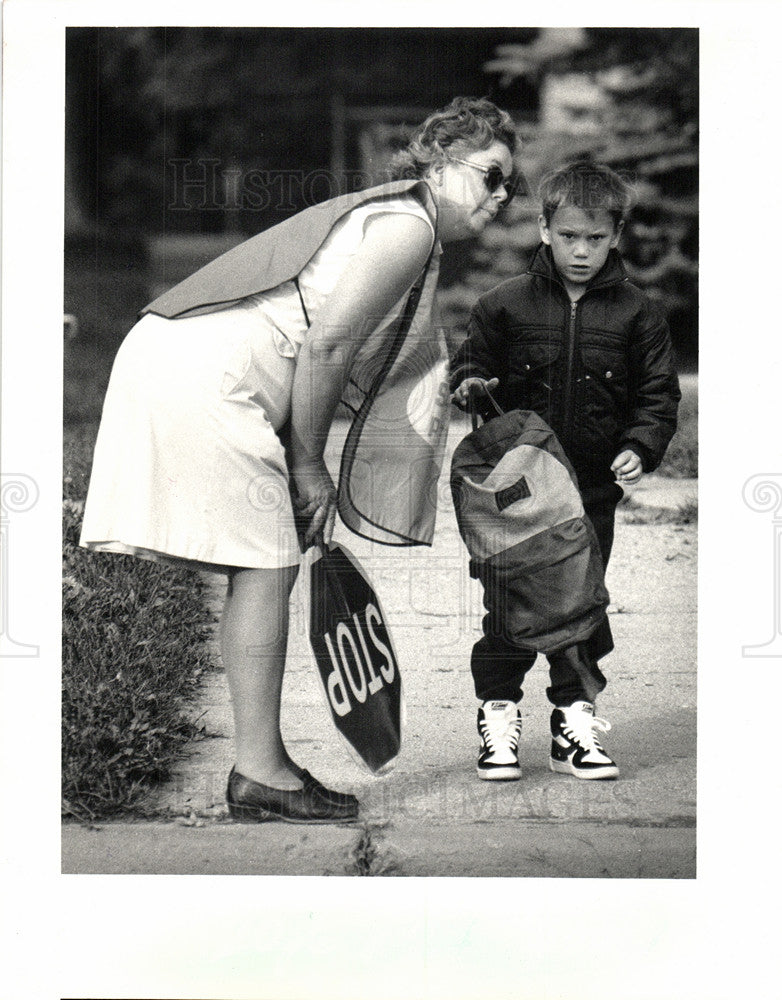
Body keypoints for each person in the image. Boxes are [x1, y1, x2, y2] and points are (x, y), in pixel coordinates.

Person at [80, 96, 520, 824]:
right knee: (267, 560)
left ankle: (262, 771)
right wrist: (309, 465)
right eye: (490, 176)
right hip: (206, 371)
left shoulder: (398, 219)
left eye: (510, 186)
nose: (501, 197)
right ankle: (261, 773)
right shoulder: (407, 224)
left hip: (184, 357)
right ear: (441, 162)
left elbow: (326, 349)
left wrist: (303, 457)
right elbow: (327, 347)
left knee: (265, 561)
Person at [450, 158, 681, 782]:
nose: (582, 251)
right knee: (510, 603)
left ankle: (574, 722)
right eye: (571, 236)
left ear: (616, 235)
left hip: (589, 495)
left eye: (597, 238)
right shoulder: (504, 305)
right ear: (546, 229)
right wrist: (470, 384)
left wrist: (642, 442)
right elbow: (469, 366)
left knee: (582, 607)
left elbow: (658, 394)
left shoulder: (638, 313)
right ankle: (498, 717)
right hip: (517, 497)